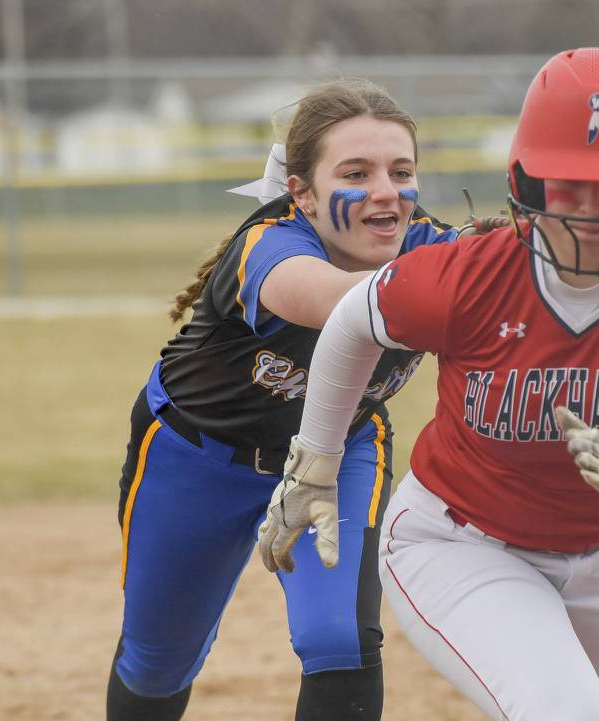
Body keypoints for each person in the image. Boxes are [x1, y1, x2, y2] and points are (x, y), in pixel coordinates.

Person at [260, 48, 599, 721]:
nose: (590, 211)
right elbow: (352, 322)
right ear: (529, 182)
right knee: (566, 711)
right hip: (459, 541)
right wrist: (314, 463)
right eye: (568, 184)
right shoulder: (471, 273)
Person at [107, 78, 489, 721]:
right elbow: (343, 302)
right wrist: (477, 282)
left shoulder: (433, 248)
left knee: (337, 638)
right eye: (356, 173)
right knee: (159, 657)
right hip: (194, 456)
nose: (386, 192)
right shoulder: (271, 245)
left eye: (401, 171)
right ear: (302, 193)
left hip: (341, 448)